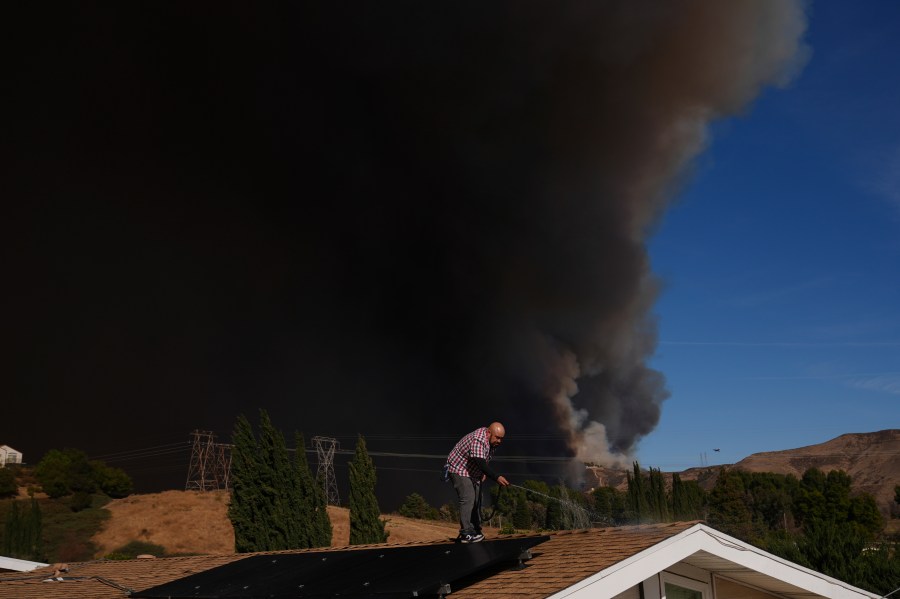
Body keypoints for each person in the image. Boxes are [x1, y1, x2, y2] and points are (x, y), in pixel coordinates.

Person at [445, 422, 510, 543]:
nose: (499, 441)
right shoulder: (478, 440)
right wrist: (496, 477)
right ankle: (466, 533)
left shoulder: (492, 442)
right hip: (459, 469)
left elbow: (484, 460)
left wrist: (483, 473)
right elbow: (480, 462)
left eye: (501, 438)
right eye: (497, 437)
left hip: (473, 472)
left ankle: (475, 530)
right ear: (489, 433)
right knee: (468, 498)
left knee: (477, 500)